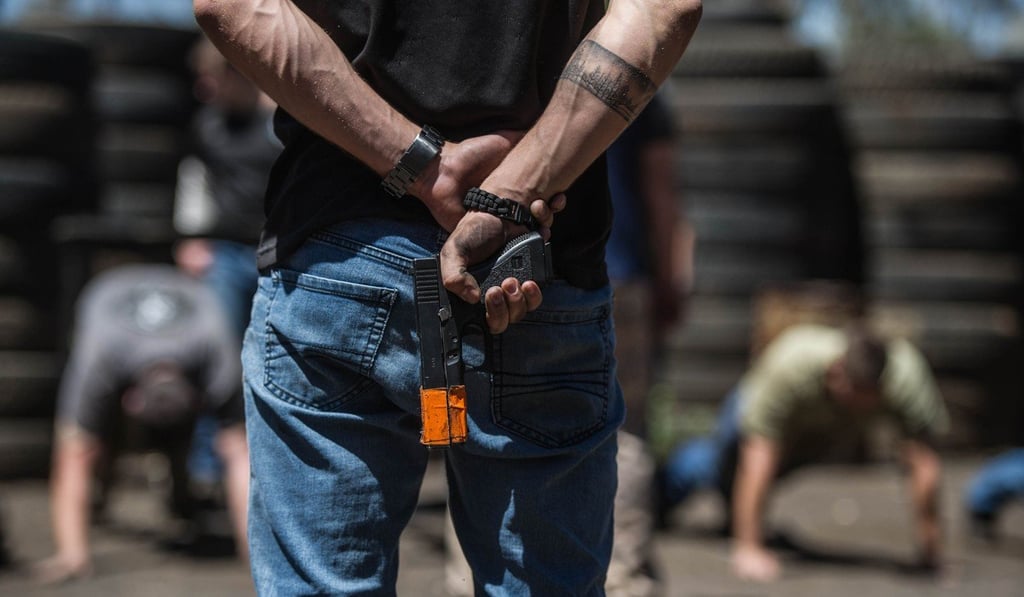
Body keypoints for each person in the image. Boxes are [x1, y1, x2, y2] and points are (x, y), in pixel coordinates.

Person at [193, 0, 703, 593]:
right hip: (534, 264)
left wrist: (425, 166)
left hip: (337, 256)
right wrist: (514, 191)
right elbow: (664, 9)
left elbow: (232, 6)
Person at [661, 323, 949, 582]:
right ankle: (656, 495)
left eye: (868, 400)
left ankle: (735, 515)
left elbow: (923, 464)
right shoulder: (792, 366)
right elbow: (757, 457)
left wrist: (930, 550)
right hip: (755, 408)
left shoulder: (908, 380)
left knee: (771, 472)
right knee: (715, 467)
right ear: (837, 373)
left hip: (817, 430)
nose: (861, 407)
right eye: (854, 396)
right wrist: (749, 548)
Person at [34, 264, 250, 584]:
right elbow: (76, 449)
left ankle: (182, 499)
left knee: (220, 439)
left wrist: (254, 556)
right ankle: (91, 520)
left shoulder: (218, 355)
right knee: (93, 438)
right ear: (128, 401)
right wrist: (72, 555)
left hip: (182, 300)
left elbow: (239, 453)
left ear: (197, 400)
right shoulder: (98, 359)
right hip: (110, 289)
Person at [173, 34, 281, 489]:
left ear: (237, 73)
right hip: (224, 255)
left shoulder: (279, 122)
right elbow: (194, 178)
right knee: (214, 360)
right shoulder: (207, 125)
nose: (204, 89)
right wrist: (189, 238)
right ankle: (207, 468)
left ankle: (266, 463)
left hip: (277, 255)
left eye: (211, 79)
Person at [604, 90, 691, 597]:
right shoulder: (636, 78)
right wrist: (670, 279)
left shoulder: (523, 51)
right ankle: (622, 576)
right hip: (619, 275)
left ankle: (469, 581)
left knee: (489, 425)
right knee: (624, 429)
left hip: (516, 267)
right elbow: (661, 191)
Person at [964, 448, 1024, 542]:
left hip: (979, 495)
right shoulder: (1018, 468)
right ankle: (981, 535)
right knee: (984, 527)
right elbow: (1013, 484)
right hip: (980, 501)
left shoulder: (1015, 460)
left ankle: (981, 534)